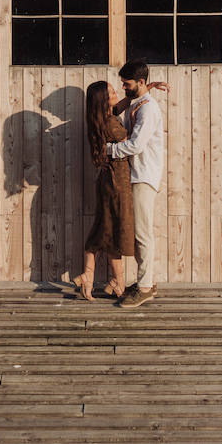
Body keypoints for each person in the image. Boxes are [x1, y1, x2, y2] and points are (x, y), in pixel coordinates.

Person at [106, 60, 166, 308]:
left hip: (144, 175)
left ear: (139, 82)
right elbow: (114, 112)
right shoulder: (138, 103)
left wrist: (108, 150)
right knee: (140, 232)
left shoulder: (148, 109)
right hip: (137, 174)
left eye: (127, 83)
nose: (123, 87)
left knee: (143, 233)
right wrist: (148, 87)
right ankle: (146, 282)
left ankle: (144, 288)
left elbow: (136, 145)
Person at [73, 81, 134, 301]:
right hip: (117, 182)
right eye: (110, 92)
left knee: (106, 230)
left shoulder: (100, 119)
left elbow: (118, 107)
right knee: (111, 232)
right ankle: (115, 282)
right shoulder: (110, 124)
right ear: (103, 100)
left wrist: (140, 93)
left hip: (108, 181)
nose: (116, 92)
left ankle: (93, 277)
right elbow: (131, 142)